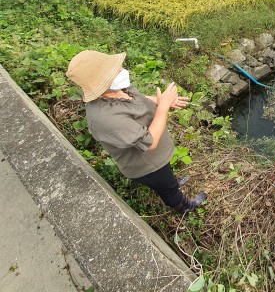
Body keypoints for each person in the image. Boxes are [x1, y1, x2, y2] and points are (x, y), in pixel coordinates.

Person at [65, 50, 207, 213]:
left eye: (117, 67)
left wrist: (161, 101)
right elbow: (150, 142)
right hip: (147, 165)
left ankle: (173, 181)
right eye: (114, 71)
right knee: (168, 189)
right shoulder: (105, 118)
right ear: (100, 84)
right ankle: (184, 206)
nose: (121, 70)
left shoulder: (118, 89)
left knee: (168, 175)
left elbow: (138, 99)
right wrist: (163, 107)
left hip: (157, 158)